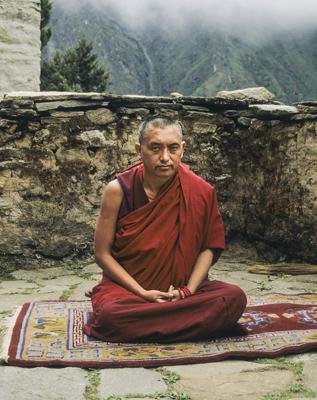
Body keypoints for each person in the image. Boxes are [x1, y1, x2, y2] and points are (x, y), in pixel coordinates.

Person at [83, 115, 247, 343]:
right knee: (111, 316)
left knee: (234, 297)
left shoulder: (200, 191)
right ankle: (188, 324)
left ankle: (153, 323)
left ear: (183, 149)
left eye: (173, 148)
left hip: (182, 292)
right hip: (130, 290)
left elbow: (209, 247)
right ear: (139, 150)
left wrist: (188, 291)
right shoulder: (118, 190)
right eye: (155, 148)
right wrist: (141, 293)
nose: (165, 158)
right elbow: (102, 253)